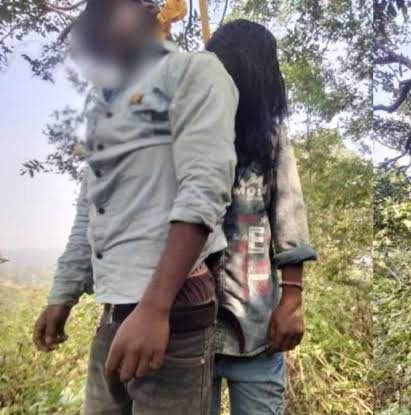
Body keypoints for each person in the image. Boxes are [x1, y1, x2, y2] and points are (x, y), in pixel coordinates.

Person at [31, 0, 238, 413]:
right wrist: (62, 295)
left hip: (173, 312)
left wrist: (155, 308)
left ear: (146, 11)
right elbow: (92, 208)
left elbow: (204, 190)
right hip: (115, 310)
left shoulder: (194, 71)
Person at [205, 20, 317, 414]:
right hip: (188, 331)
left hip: (256, 330)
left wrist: (292, 301)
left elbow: (290, 218)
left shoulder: (272, 138)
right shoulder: (190, 130)